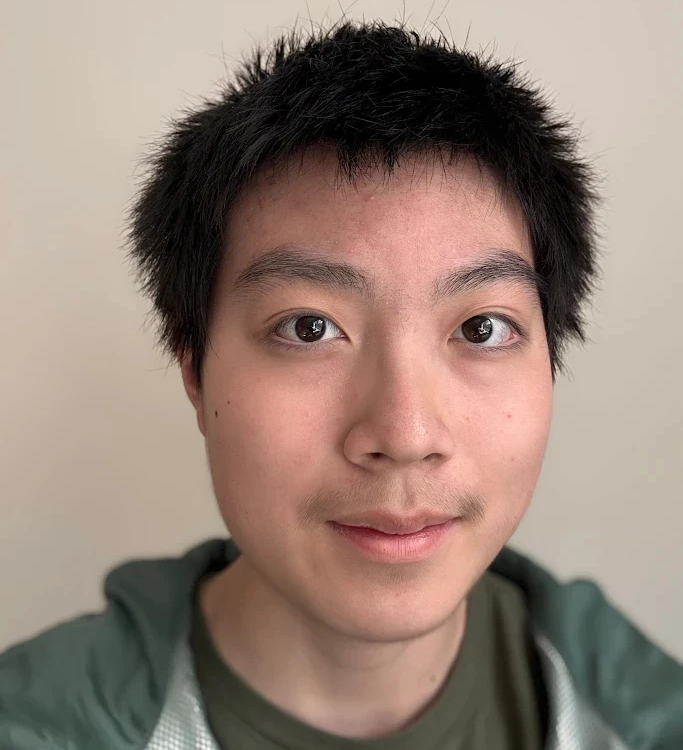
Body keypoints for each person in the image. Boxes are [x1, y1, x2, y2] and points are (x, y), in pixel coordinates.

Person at [1, 17, 681, 750]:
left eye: (481, 328)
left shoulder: (642, 719)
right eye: (308, 328)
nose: (405, 435)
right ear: (194, 369)